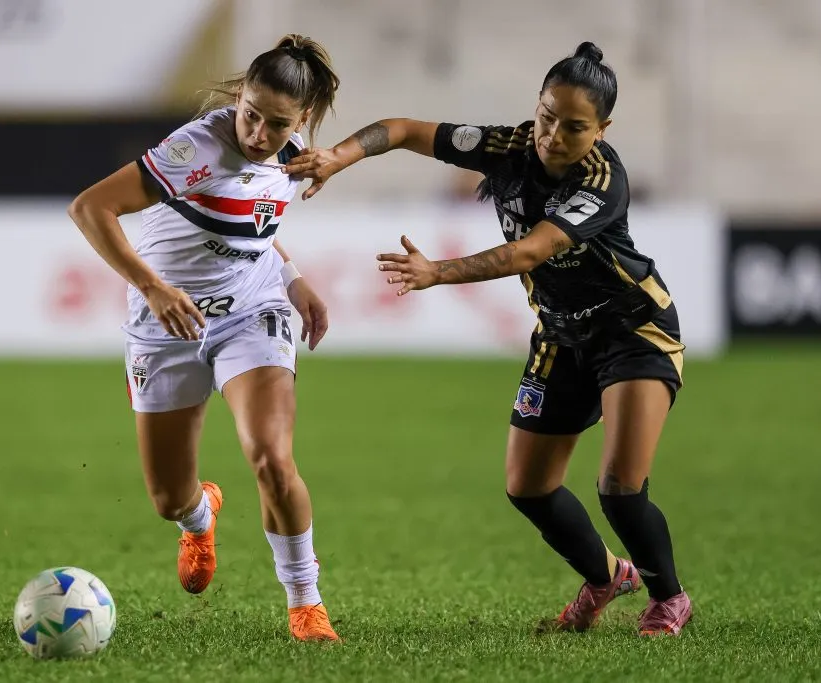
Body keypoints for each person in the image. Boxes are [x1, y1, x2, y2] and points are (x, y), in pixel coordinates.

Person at [284, 41, 692, 637]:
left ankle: (668, 599)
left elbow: (533, 250)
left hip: (633, 329)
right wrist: (337, 158)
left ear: (602, 130)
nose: (553, 134)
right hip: (560, 334)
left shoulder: (603, 181)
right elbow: (401, 129)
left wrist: (440, 272)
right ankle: (607, 577)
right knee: (527, 487)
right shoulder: (508, 145)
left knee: (619, 490)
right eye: (547, 115)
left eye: (574, 127)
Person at [67, 34, 341, 642]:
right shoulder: (194, 149)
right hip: (166, 325)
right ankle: (199, 515)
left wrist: (294, 283)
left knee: (271, 457)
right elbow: (90, 209)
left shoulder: (295, 157)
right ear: (239, 95)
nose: (258, 134)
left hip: (251, 314)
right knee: (167, 497)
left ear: (301, 121)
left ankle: (305, 603)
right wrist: (154, 287)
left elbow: (254, 228)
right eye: (250, 114)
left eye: (277, 124)